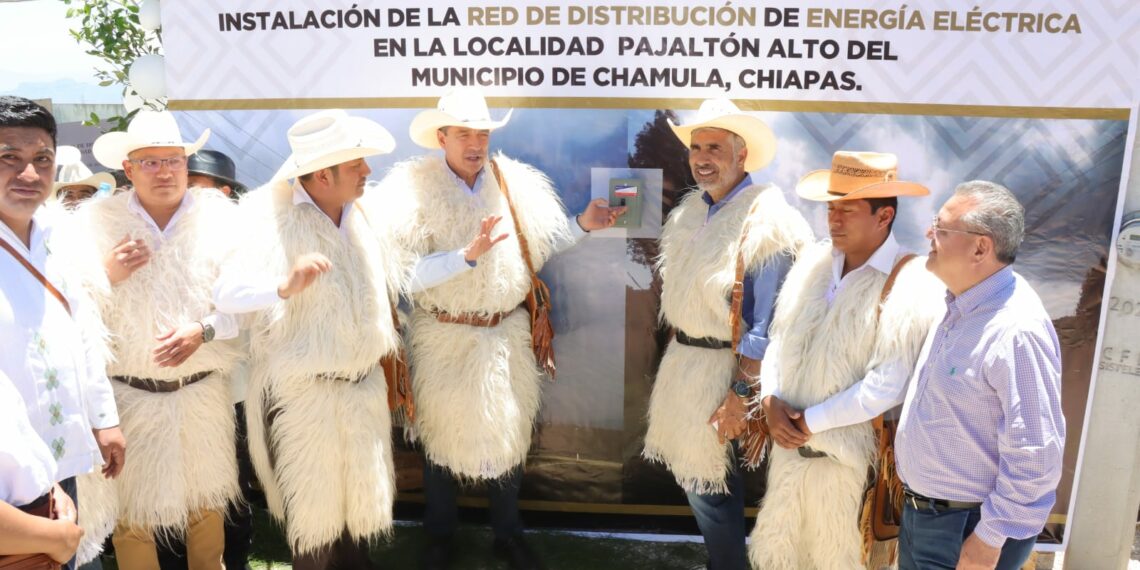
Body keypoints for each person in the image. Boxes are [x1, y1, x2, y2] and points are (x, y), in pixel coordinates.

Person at [371, 87, 623, 570]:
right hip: (442, 334)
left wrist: (583, 224)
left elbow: (536, 249)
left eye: (482, 133)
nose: (475, 143)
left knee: (507, 434)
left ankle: (507, 534)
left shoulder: (512, 184)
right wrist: (464, 258)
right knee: (440, 437)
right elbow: (401, 275)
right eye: (464, 133)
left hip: (504, 335)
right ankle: (440, 535)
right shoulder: (408, 194)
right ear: (441, 136)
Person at [212, 109, 403, 570]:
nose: (367, 172)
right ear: (322, 174)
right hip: (305, 401)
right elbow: (226, 294)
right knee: (314, 534)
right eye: (357, 163)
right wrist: (281, 286)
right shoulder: (270, 221)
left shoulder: (364, 217)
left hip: (362, 392)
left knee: (356, 524)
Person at [58, 110, 243, 570]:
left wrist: (203, 331)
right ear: (129, 168)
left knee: (207, 510)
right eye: (150, 162)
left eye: (173, 160)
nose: (164, 171)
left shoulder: (222, 220)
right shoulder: (93, 224)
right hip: (129, 398)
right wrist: (106, 275)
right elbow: (67, 310)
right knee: (132, 520)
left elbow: (250, 307)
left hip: (202, 393)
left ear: (186, 163)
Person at [747, 151, 945, 569]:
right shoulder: (813, 265)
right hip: (790, 462)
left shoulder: (911, 282)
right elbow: (780, 342)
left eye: (847, 210)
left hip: (850, 472)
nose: (833, 220)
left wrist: (805, 423)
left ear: (884, 216)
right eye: (831, 208)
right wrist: (769, 400)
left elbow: (887, 386)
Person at [642, 98, 812, 570]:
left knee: (713, 491)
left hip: (725, 371)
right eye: (696, 146)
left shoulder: (767, 221)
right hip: (684, 365)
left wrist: (741, 393)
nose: (701, 157)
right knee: (700, 485)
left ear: (742, 154)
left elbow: (767, 323)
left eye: (714, 146)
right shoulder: (693, 210)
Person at [895, 180, 1065, 570]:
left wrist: (989, 539)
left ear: (980, 247)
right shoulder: (962, 303)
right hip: (934, 518)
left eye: (941, 227)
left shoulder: (1015, 329)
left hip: (968, 531)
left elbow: (1036, 454)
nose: (928, 234)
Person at [0, 95, 124, 570]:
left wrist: (103, 416)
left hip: (57, 461)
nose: (29, 174)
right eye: (9, 157)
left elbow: (81, 331)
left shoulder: (58, 236)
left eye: (41, 160)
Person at [183, 147, 255, 570]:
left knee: (234, 480)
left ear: (224, 192)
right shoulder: (174, 234)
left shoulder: (243, 239)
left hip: (233, 385)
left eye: (198, 186)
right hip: (181, 388)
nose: (188, 194)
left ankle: (237, 556)